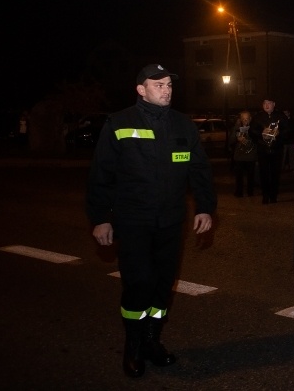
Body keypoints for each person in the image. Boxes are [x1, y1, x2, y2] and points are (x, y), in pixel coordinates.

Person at [86, 64, 216, 378]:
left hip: (172, 222)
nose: (166, 89)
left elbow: (199, 171)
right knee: (139, 283)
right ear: (141, 90)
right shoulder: (119, 123)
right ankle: (132, 346)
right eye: (157, 85)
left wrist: (205, 208)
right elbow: (100, 176)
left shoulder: (183, 125)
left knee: (163, 285)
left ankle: (151, 340)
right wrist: (101, 219)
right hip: (133, 222)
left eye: (169, 84)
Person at [251, 98, 289, 204]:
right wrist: (261, 133)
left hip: (276, 148)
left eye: (269, 103)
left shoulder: (281, 116)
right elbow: (252, 131)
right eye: (264, 103)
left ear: (274, 104)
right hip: (263, 148)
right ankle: (265, 195)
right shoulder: (258, 117)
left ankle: (273, 196)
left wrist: (279, 133)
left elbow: (287, 130)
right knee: (263, 173)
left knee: (275, 173)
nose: (266, 105)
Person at [229, 111, 257, 197]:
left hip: (250, 155)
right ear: (241, 119)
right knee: (239, 176)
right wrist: (237, 138)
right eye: (244, 119)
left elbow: (257, 140)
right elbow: (230, 141)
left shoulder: (254, 128)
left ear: (250, 119)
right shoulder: (236, 128)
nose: (245, 120)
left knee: (250, 176)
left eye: (247, 119)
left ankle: (250, 191)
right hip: (239, 156)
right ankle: (239, 192)